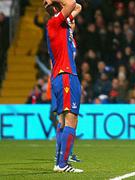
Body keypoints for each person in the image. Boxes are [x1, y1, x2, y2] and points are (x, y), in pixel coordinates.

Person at [43, 0, 83, 173]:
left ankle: (59, 161)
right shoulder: (54, 23)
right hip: (65, 75)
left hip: (63, 76)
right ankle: (62, 163)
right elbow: (72, 2)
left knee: (62, 120)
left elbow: (78, 7)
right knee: (71, 119)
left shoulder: (64, 28)